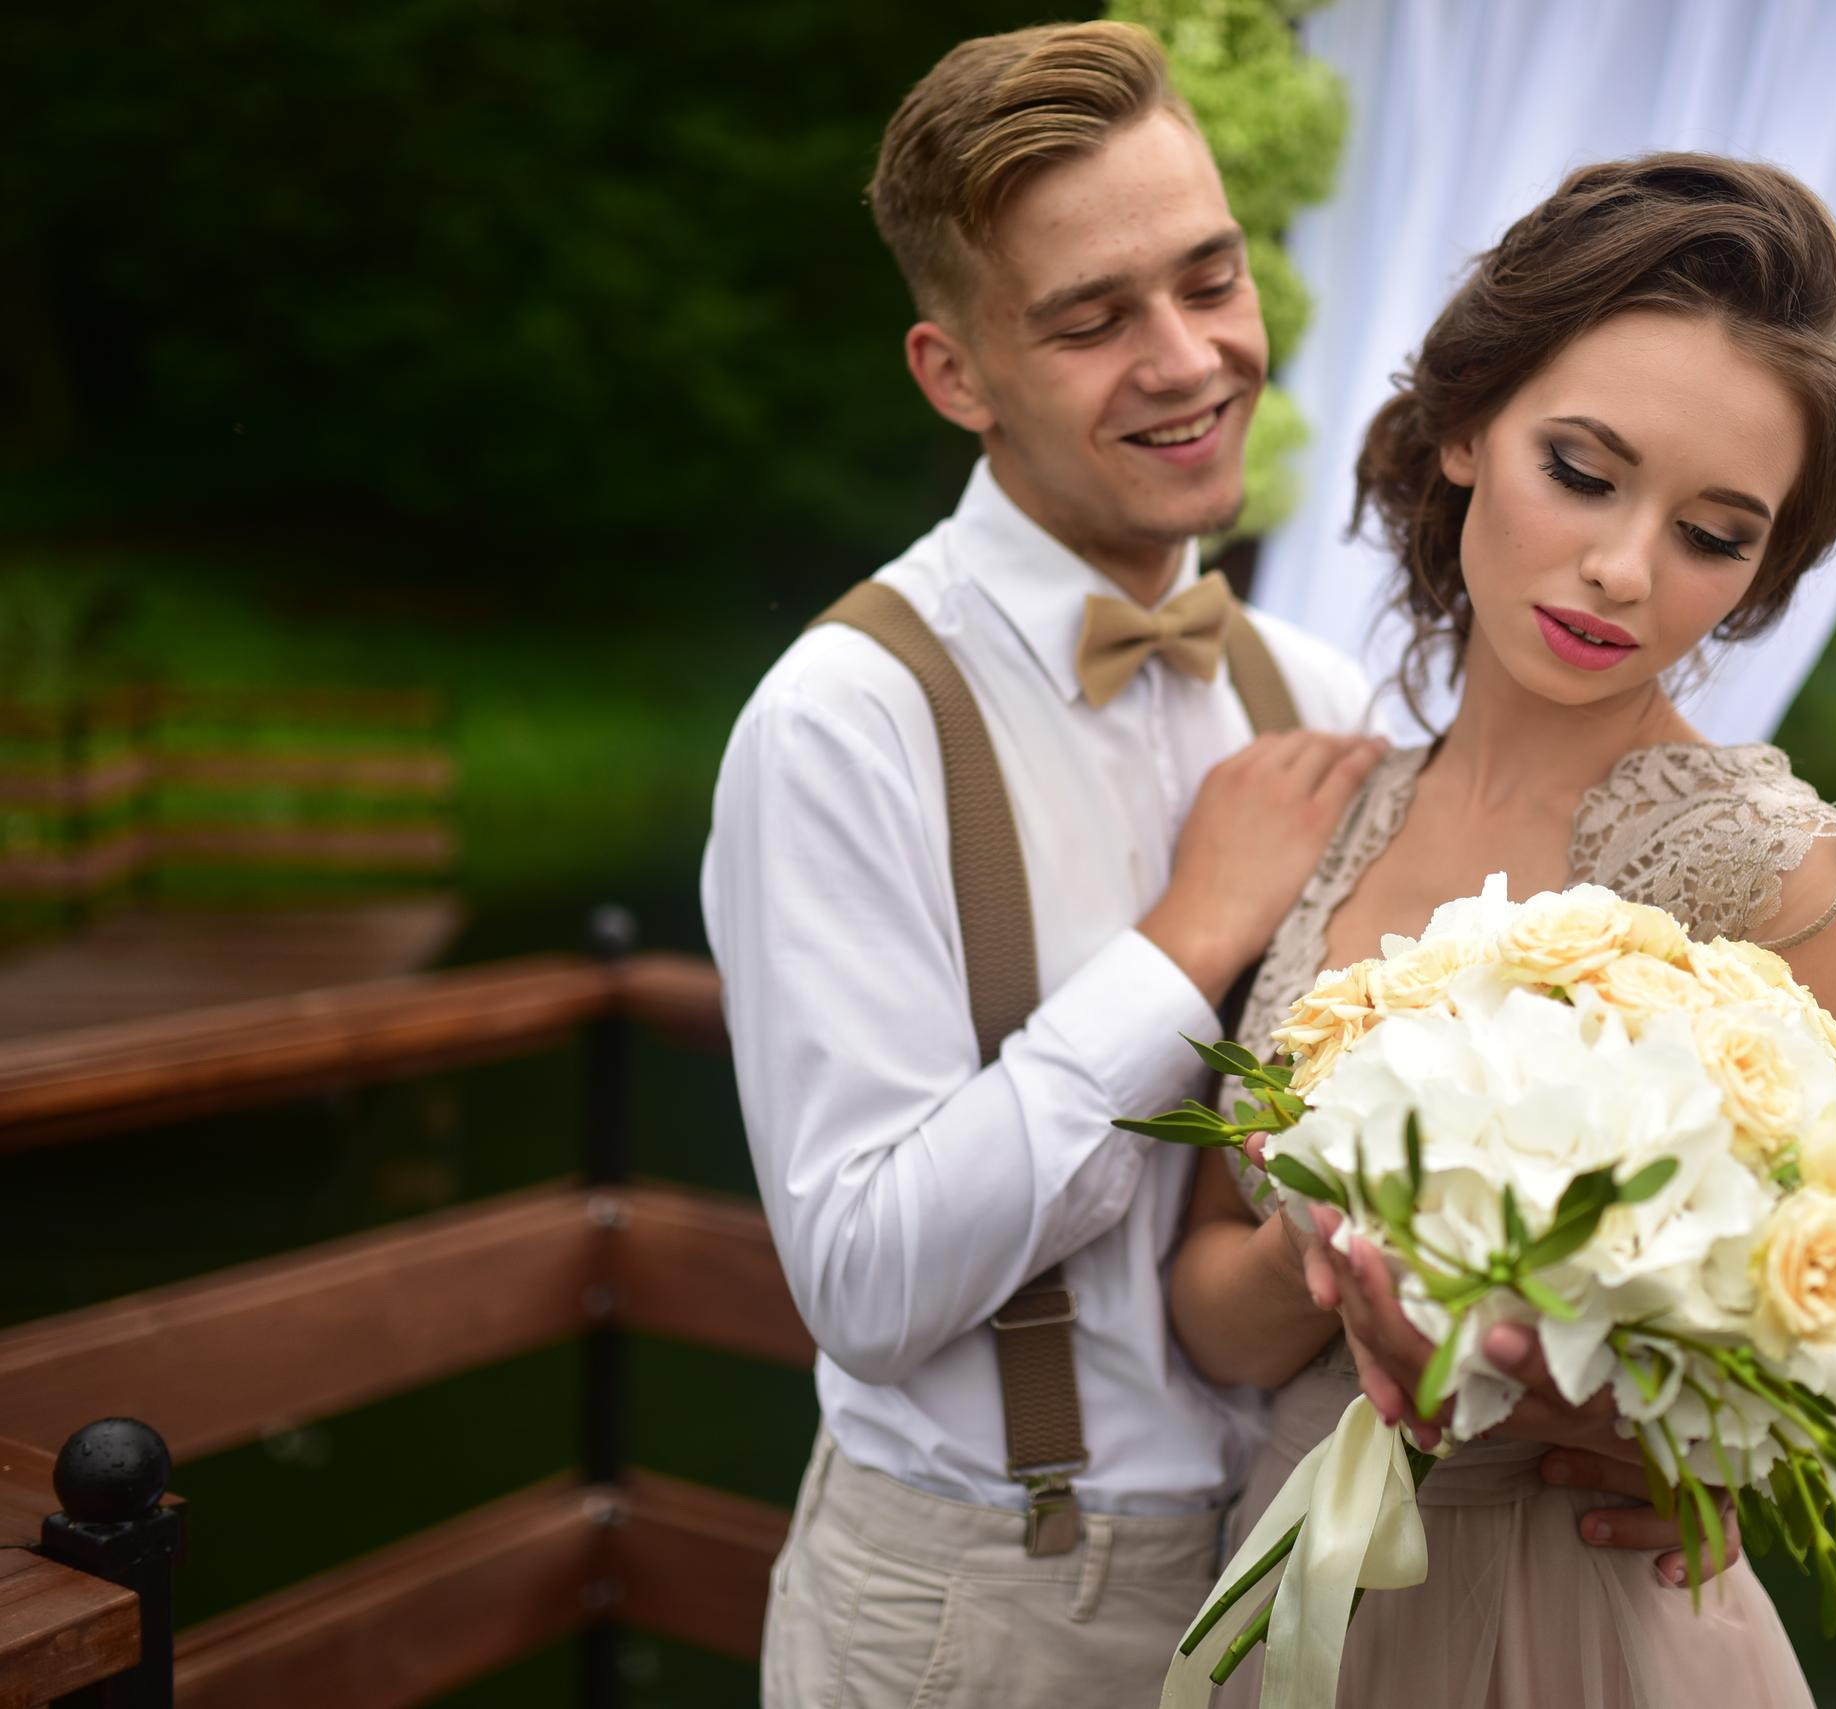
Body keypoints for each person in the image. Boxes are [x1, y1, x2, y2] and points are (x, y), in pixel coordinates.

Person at [699, 23, 1388, 1709]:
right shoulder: (840, 720)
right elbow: (863, 1276)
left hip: (1288, 1572)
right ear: (955, 374)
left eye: (1209, 277)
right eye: (1092, 320)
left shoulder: (1320, 692)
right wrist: (1186, 941)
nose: (1189, 357)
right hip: (973, 1608)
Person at [1166, 153, 1836, 1706]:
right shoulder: (1337, 820)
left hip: (1582, 1623)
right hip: (1290, 1591)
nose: (1626, 570)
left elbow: (1834, 1371)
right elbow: (1217, 1324)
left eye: (1715, 532)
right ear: (1464, 426)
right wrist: (1343, 1216)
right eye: (1584, 469)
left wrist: (1648, 1429)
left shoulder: (1773, 881)